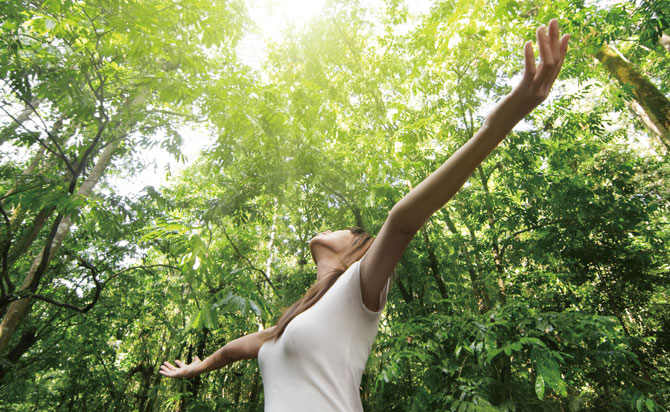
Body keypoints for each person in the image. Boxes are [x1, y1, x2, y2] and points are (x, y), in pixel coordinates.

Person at [160, 19, 570, 411]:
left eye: (349, 229)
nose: (333, 227)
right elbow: (236, 349)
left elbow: (403, 221)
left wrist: (497, 125)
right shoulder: (289, 325)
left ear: (357, 250)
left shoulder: (359, 289)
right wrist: (199, 365)